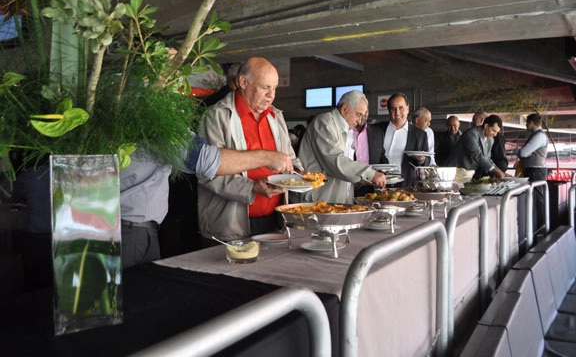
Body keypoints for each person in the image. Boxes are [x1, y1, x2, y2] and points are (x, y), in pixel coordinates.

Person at [120, 139, 293, 268]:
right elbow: (204, 159)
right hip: (132, 232)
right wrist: (267, 157)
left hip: (120, 226)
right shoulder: (152, 116)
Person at [196, 56, 303, 242]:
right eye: (265, 87)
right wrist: (251, 188)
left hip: (275, 221)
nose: (272, 95)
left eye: (275, 88)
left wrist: (301, 174)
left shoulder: (275, 117)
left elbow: (290, 159)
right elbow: (206, 171)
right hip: (230, 226)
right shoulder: (216, 116)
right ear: (243, 82)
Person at [293, 90, 386, 204]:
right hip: (318, 202)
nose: (360, 121)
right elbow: (335, 161)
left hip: (338, 200)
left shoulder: (348, 130)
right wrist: (369, 174)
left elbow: (345, 168)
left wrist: (364, 180)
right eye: (358, 114)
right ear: (345, 109)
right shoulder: (324, 122)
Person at [376, 93, 429, 188]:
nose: (397, 113)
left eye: (401, 108)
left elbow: (427, 161)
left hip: (406, 185)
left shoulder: (420, 134)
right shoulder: (376, 130)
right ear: (388, 111)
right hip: (379, 183)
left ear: (408, 109)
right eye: (393, 109)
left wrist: (422, 160)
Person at [445, 114, 507, 179]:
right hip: (451, 173)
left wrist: (501, 171)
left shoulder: (490, 140)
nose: (495, 134)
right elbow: (477, 155)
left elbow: (488, 159)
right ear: (486, 126)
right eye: (494, 131)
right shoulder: (471, 134)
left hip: (464, 174)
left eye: (497, 132)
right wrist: (496, 171)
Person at [517, 113, 548, 229]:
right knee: (535, 200)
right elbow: (525, 153)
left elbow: (522, 153)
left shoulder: (539, 136)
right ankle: (537, 227)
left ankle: (540, 228)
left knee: (538, 201)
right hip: (534, 171)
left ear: (531, 123)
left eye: (526, 122)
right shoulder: (537, 135)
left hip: (536, 172)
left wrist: (523, 153)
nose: (526, 125)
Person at [353, 112, 388, 196]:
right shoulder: (344, 131)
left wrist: (386, 168)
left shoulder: (377, 132)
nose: (362, 115)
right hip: (350, 185)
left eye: (365, 112)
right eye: (359, 112)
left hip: (371, 187)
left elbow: (381, 155)